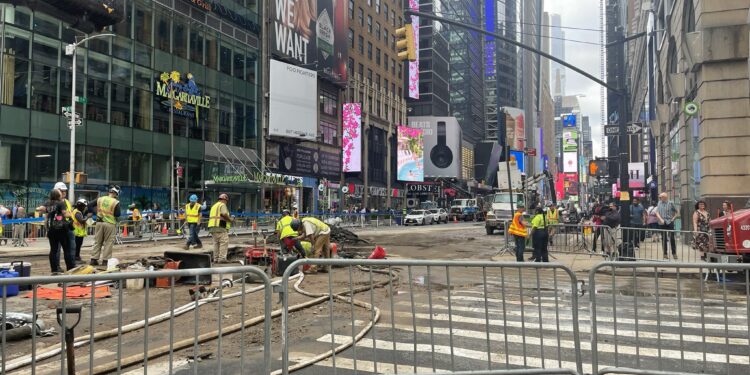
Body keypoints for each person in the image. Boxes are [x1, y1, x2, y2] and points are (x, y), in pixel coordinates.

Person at [43, 189, 74, 274]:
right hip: (61, 229)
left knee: (53, 250)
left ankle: (54, 269)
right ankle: (70, 268)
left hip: (51, 230)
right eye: (60, 193)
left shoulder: (47, 203)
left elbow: (42, 212)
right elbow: (65, 214)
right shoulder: (61, 203)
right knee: (67, 249)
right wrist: (71, 213)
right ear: (58, 195)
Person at [89, 186, 121, 266]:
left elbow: (89, 205)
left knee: (97, 241)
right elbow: (117, 214)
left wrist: (96, 213)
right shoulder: (115, 202)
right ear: (116, 194)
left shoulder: (100, 199)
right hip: (110, 224)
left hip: (99, 223)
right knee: (108, 243)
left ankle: (93, 260)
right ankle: (105, 261)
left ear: (109, 192)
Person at [208, 193, 233, 263]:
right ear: (224, 200)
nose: (226, 202)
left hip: (212, 227)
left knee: (216, 243)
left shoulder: (214, 206)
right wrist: (230, 219)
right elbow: (224, 214)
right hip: (220, 227)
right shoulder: (222, 205)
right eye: (226, 201)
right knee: (224, 242)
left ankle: (215, 259)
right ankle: (222, 258)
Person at [655, 192, 679, 260]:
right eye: (660, 197)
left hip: (669, 221)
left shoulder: (671, 203)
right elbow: (657, 212)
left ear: (665, 197)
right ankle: (665, 253)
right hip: (662, 222)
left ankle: (674, 253)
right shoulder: (659, 203)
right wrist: (660, 219)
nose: (660, 198)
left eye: (661, 197)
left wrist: (673, 219)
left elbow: (677, 212)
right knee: (664, 238)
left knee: (672, 238)